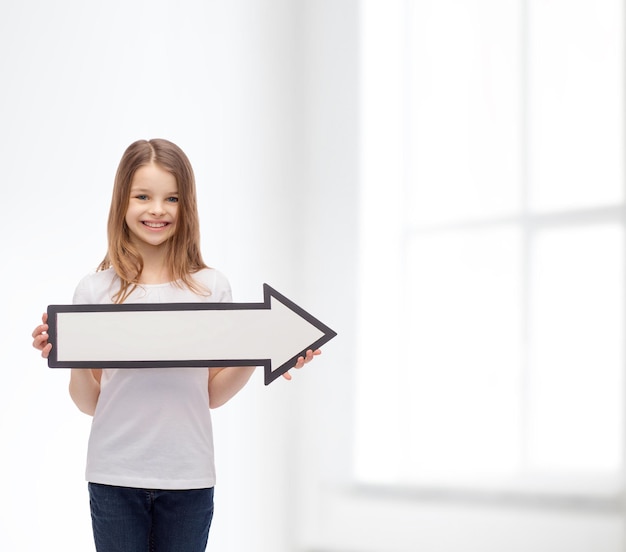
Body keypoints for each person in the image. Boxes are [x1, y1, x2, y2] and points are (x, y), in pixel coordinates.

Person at [31, 138, 320, 552]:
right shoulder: (95, 290)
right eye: (143, 196)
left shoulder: (211, 288)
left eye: (172, 198)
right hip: (114, 474)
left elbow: (212, 395)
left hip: (189, 476)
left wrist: (261, 349)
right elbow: (89, 402)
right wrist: (70, 351)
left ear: (187, 207)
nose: (157, 209)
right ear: (122, 202)